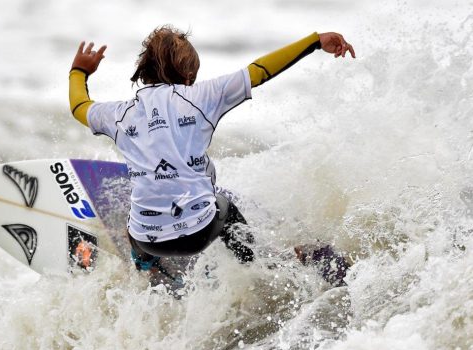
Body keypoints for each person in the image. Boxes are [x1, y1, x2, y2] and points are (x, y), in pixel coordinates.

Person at [68, 26, 355, 292]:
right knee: (225, 205)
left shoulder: (118, 114)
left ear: (144, 72)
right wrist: (314, 41)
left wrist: (79, 71)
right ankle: (254, 267)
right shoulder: (203, 96)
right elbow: (260, 70)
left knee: (136, 213)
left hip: (148, 240)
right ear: (189, 76)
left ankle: (145, 266)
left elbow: (79, 105)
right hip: (199, 233)